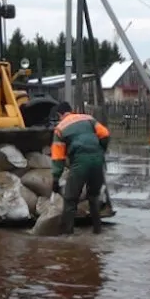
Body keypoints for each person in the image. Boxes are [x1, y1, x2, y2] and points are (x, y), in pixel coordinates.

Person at [50, 101, 110, 235]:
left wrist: (55, 178)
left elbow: (58, 157)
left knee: (70, 199)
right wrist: (101, 150)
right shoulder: (88, 118)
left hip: (80, 162)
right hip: (97, 160)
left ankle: (68, 235)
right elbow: (105, 134)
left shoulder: (60, 128)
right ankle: (97, 231)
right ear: (71, 111)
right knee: (94, 197)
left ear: (60, 114)